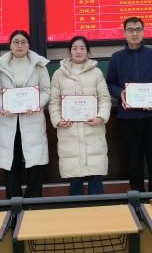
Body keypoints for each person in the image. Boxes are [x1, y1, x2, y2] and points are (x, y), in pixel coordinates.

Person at [106, 17, 152, 192]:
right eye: (131, 30)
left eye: (138, 29)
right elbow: (110, 83)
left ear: (143, 31)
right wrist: (120, 93)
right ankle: (137, 199)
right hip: (128, 118)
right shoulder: (116, 58)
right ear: (124, 33)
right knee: (134, 161)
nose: (135, 33)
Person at [0, 30, 50, 198]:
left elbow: (46, 90)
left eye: (23, 42)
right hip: (9, 121)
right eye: (15, 42)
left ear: (28, 45)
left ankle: (34, 203)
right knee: (11, 163)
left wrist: (36, 104)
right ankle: (13, 203)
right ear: (10, 45)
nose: (19, 45)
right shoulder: (0, 66)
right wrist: (2, 106)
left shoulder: (39, 64)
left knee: (35, 163)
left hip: (32, 120)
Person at [49, 36, 111, 195]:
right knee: (74, 178)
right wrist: (58, 120)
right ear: (69, 51)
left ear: (87, 51)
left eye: (82, 48)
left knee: (95, 177)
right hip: (69, 132)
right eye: (75, 48)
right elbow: (54, 102)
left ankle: (98, 208)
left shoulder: (96, 73)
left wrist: (101, 117)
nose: (78, 51)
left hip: (93, 130)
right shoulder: (58, 74)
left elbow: (105, 99)